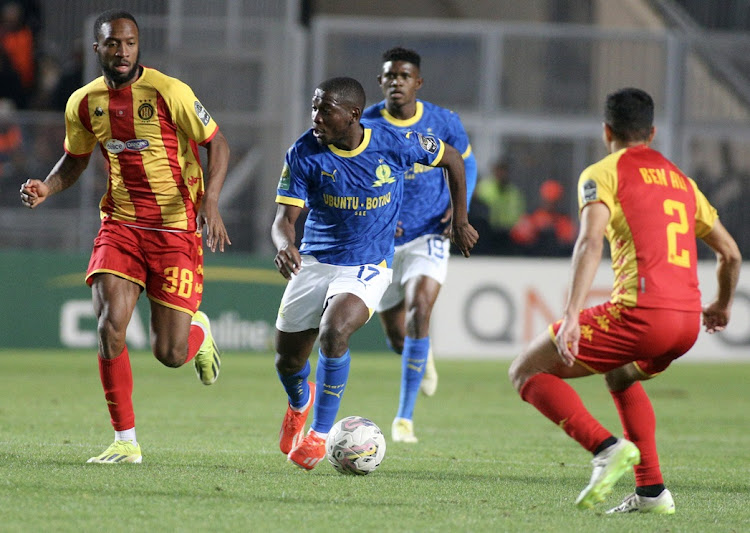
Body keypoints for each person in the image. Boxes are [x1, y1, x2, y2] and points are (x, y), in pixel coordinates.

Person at [508, 88, 741, 513]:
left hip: (641, 314)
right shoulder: (683, 182)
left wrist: (572, 314)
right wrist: (722, 305)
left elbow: (590, 240)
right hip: (686, 324)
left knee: (525, 370)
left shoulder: (603, 172)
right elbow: (730, 253)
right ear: (651, 132)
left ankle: (605, 448)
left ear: (606, 130)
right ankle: (652, 492)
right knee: (620, 375)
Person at [19, 9, 231, 464]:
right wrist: (46, 187)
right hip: (120, 226)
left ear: (139, 46)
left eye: (130, 43)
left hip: (175, 230)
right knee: (110, 326)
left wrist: (210, 202)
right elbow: (74, 159)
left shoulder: (169, 91)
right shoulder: (83, 101)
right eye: (113, 43)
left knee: (170, 354)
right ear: (98, 48)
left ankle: (197, 330)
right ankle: (126, 441)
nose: (122, 51)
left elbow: (218, 142)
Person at [272, 76, 478, 470]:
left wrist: (461, 219)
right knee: (287, 361)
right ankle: (300, 401)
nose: (315, 117)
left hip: (368, 263)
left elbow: (453, 158)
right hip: (315, 260)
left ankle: (318, 435)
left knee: (335, 331)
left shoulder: (392, 143)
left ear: (351, 114)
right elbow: (284, 219)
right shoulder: (303, 151)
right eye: (313, 107)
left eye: (324, 109)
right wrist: (285, 245)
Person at [361, 46, 478, 443]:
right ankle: (421, 354)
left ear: (418, 82)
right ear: (380, 82)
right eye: (390, 76)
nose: (396, 82)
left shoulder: (443, 121)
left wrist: (457, 210)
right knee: (399, 338)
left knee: (419, 310)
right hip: (383, 241)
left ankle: (404, 420)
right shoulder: (365, 124)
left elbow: (467, 162)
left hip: (430, 231)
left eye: (404, 76)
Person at [510, 178, 577, 256]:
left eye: (553, 201)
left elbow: (568, 240)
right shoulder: (532, 218)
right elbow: (517, 236)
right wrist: (535, 231)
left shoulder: (563, 221)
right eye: (548, 200)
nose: (550, 204)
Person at [472, 158, 525, 254]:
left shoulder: (513, 193)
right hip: (487, 233)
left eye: (504, 171)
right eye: (499, 171)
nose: (501, 174)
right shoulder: (484, 188)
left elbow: (518, 216)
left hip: (508, 234)